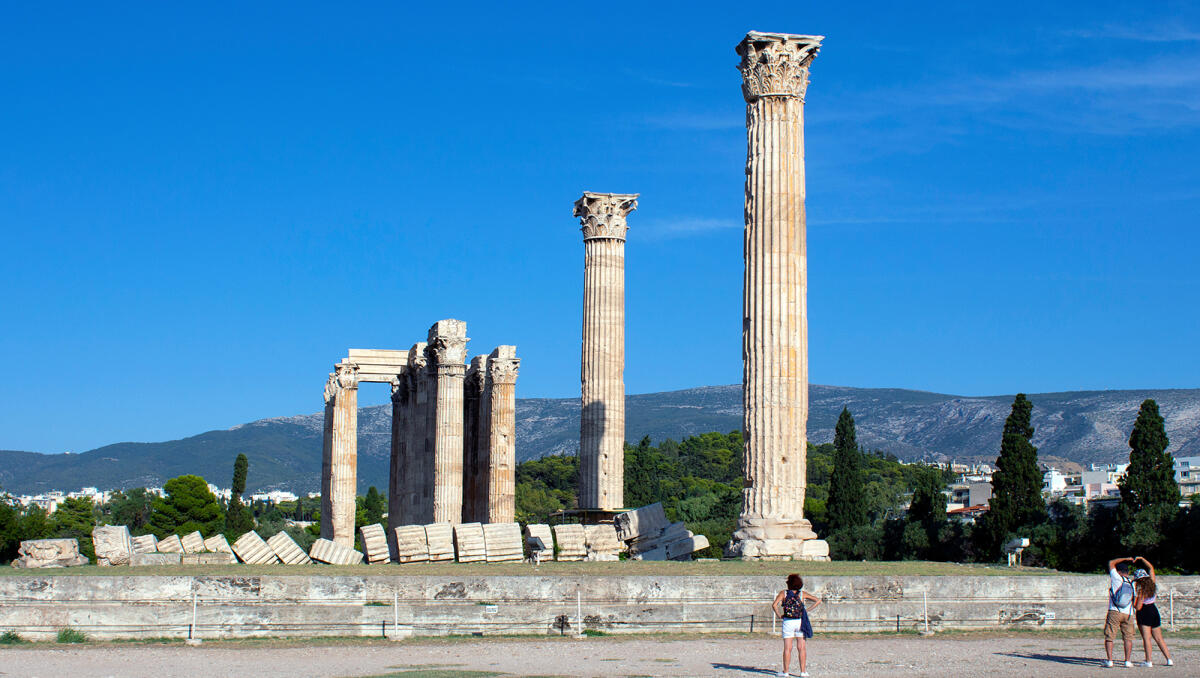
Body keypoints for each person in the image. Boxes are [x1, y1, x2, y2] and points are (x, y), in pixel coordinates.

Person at [772, 573, 821, 677]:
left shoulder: (783, 593)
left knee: (787, 648)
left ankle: (785, 672)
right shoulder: (802, 594)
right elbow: (818, 600)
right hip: (800, 621)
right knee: (801, 647)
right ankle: (803, 672)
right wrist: (807, 610)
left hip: (788, 621)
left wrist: (779, 615)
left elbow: (774, 605)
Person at [1132, 556, 1174, 668]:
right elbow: (1151, 568)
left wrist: (1133, 602)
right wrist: (1142, 559)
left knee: (1147, 638)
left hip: (1145, 611)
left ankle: (1148, 661)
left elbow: (1138, 607)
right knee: (1159, 638)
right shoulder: (1152, 585)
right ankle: (1169, 659)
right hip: (1154, 609)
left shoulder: (1141, 590)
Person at [1103, 556, 1138, 668]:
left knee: (1110, 636)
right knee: (1128, 638)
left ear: (1118, 572)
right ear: (1128, 572)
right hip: (1128, 613)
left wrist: (1126, 559)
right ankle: (1127, 661)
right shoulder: (1132, 583)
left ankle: (1110, 660)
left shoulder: (1117, 578)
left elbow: (1111, 562)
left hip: (1115, 611)